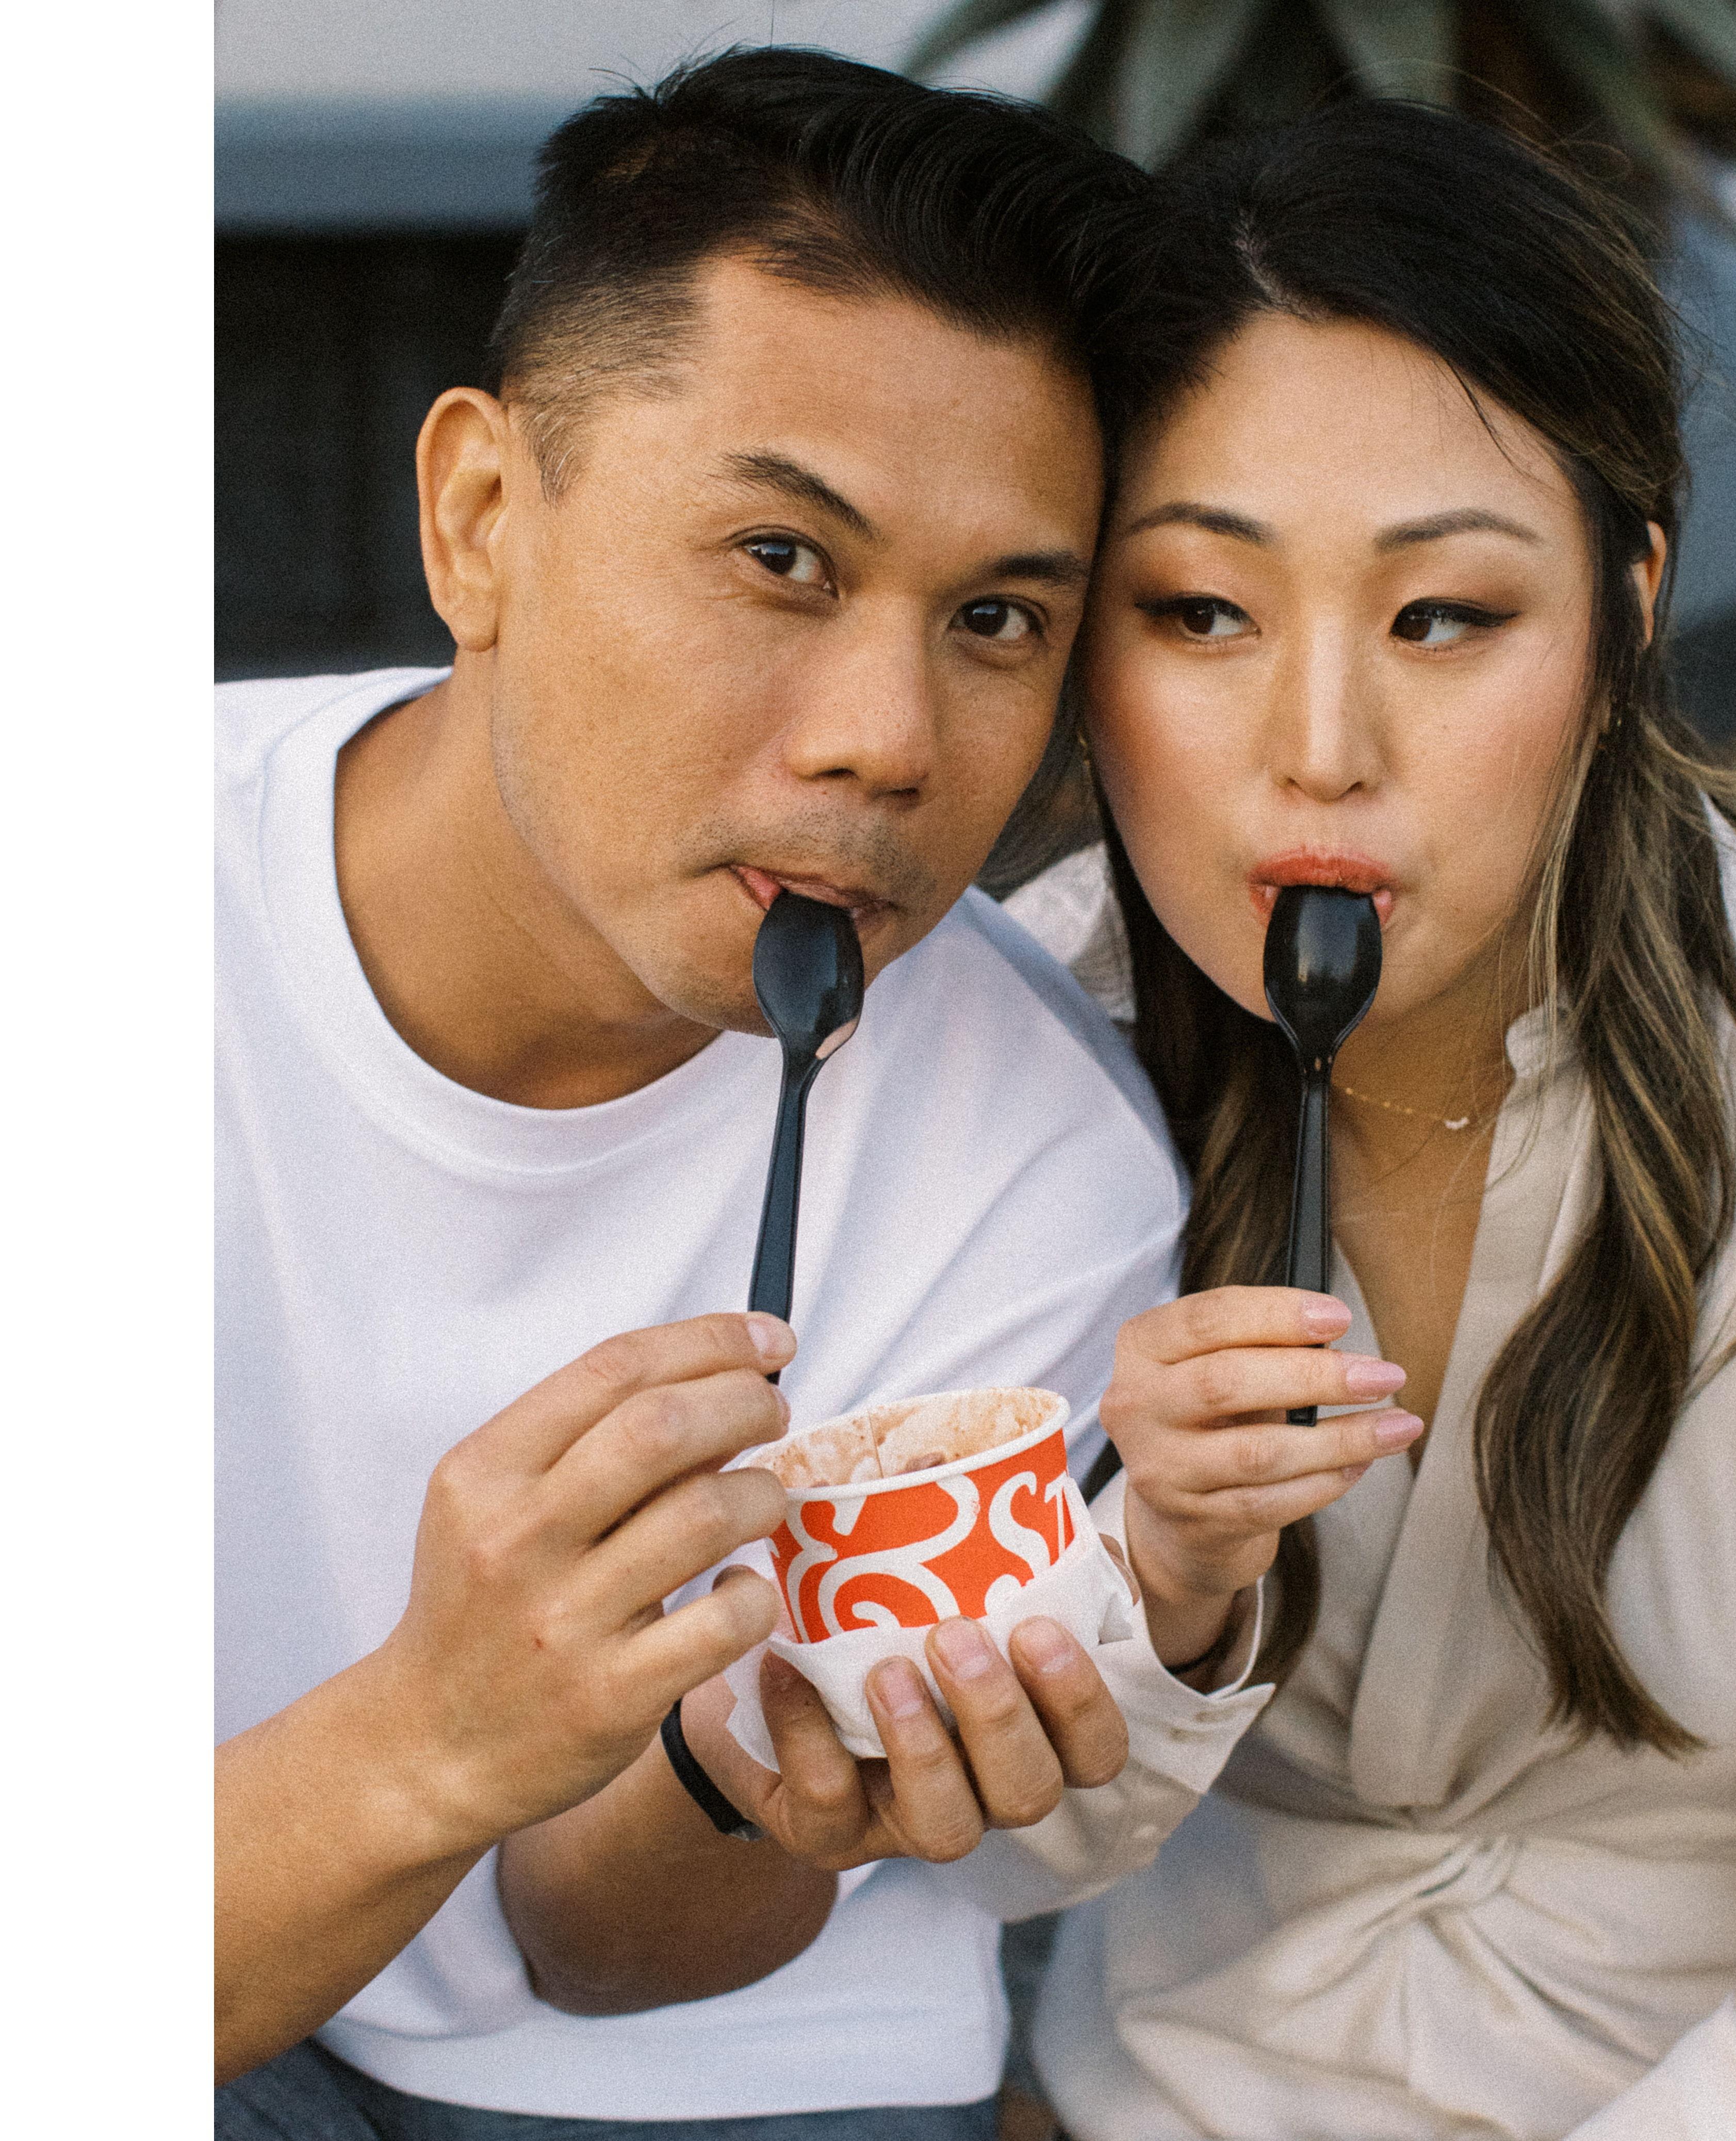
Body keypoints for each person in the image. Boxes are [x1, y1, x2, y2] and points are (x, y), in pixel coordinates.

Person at [214, 50, 1273, 2138]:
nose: (885, 741)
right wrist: (434, 1732)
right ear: (481, 517)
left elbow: (617, 1952)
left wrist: (736, 1784)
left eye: (993, 620)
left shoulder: (1035, 1174)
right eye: (781, 560)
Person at [993, 100, 1736, 2137]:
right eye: (1201, 614)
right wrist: (1145, 1588)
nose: (1317, 755)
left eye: (1444, 619)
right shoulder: (996, 1057)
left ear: (1630, 606)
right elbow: (930, 1849)